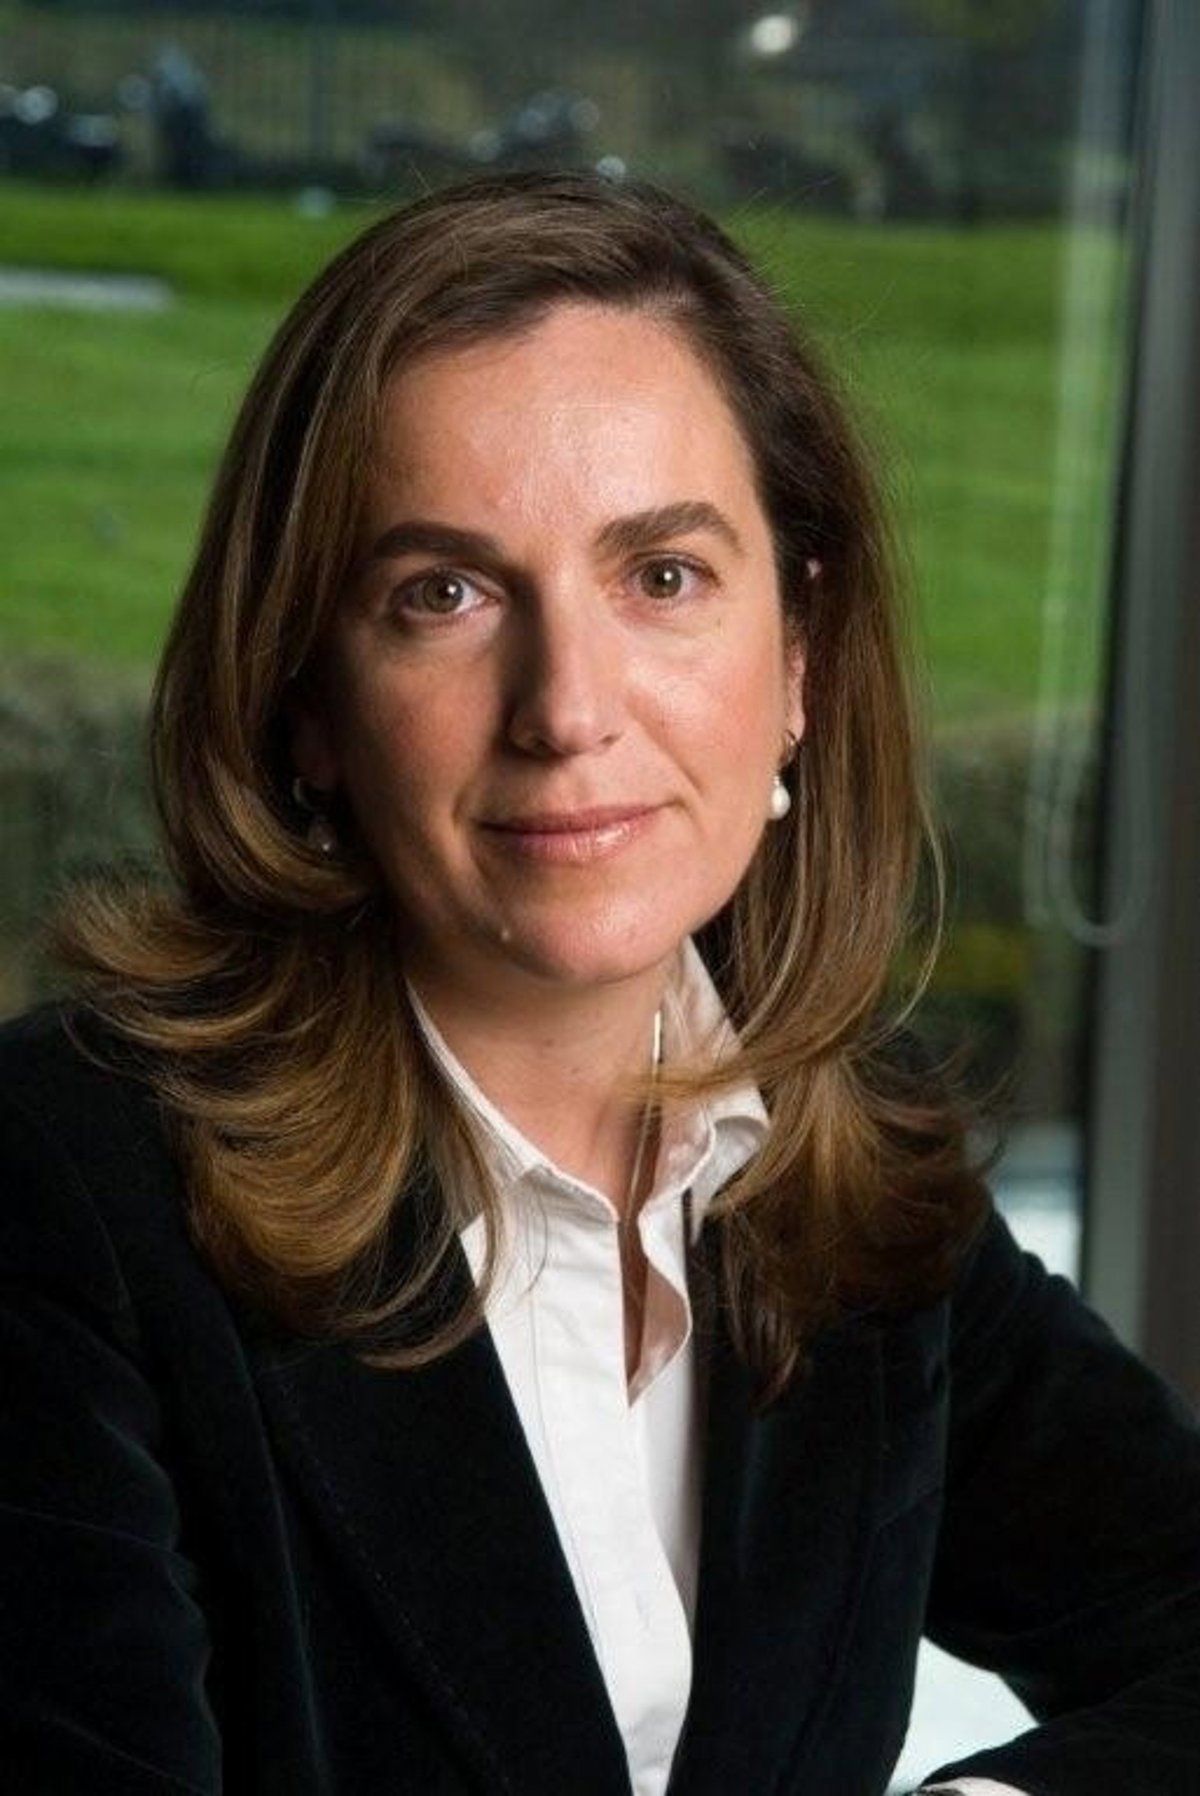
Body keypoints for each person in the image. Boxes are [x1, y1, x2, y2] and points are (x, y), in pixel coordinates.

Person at [1, 171, 1198, 1796]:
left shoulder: (844, 1168)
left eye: (663, 577)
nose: (567, 708)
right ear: (307, 702)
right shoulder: (63, 1193)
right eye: (444, 594)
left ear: (799, 657)